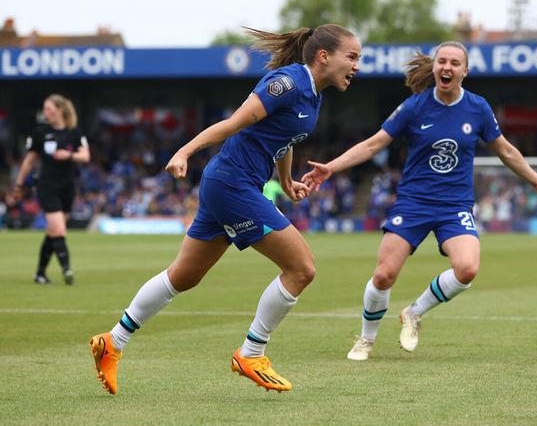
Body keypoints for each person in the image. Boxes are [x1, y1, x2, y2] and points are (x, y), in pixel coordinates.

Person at [89, 24, 361, 394]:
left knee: (183, 276)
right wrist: (185, 151)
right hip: (232, 184)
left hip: (231, 185)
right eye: (353, 56)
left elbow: (284, 138)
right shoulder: (288, 83)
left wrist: (285, 180)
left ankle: (112, 341)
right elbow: (235, 123)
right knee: (301, 268)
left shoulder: (313, 94)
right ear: (324, 56)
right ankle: (251, 353)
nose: (357, 65)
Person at [302, 41, 537, 361]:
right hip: (413, 203)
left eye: (455, 63)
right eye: (442, 61)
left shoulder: (478, 108)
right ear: (435, 66)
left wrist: (536, 180)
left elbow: (506, 150)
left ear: (464, 71)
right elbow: (374, 144)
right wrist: (331, 167)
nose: (447, 68)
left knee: (467, 268)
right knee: (384, 275)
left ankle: (414, 312)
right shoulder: (415, 106)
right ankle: (366, 340)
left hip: (454, 206)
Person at [13, 94, 90, 285]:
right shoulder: (40, 132)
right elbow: (29, 161)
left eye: (49, 109)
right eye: (45, 109)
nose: (46, 112)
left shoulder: (75, 132)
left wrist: (69, 155)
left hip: (67, 187)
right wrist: (19, 184)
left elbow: (85, 156)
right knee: (58, 229)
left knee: (53, 231)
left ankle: (40, 273)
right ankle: (67, 270)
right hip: (47, 185)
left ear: (60, 110)